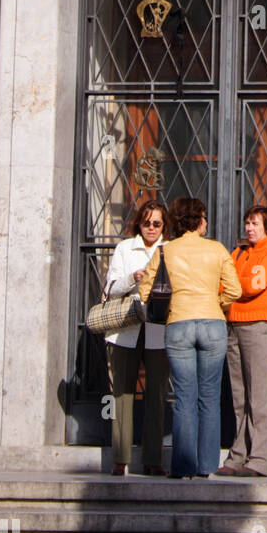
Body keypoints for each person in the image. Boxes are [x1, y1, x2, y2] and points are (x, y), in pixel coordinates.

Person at [139, 197, 241, 478]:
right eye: (204, 216)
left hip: (179, 322)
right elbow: (235, 290)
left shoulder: (165, 251)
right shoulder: (216, 249)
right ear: (198, 220)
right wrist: (214, 302)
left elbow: (145, 292)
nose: (206, 221)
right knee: (209, 397)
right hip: (212, 323)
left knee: (184, 397)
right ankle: (207, 465)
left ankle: (183, 466)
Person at [218, 205, 267, 478]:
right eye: (247, 222)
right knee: (239, 396)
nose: (249, 228)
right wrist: (231, 285)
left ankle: (260, 459)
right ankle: (238, 456)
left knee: (258, 395)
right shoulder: (238, 252)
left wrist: (231, 285)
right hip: (234, 323)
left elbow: (251, 286)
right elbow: (222, 283)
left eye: (255, 223)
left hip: (258, 325)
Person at [104, 200, 170, 476]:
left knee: (156, 394)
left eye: (156, 223)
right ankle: (120, 458)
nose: (151, 228)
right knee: (121, 394)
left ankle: (153, 459)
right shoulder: (124, 248)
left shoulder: (170, 250)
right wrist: (134, 276)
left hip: (159, 328)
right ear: (138, 224)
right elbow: (110, 288)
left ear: (164, 225)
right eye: (146, 223)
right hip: (125, 329)